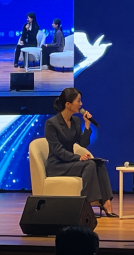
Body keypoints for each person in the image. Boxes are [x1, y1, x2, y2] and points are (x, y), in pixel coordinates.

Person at [45, 88, 116, 217]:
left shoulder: (76, 121)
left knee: (98, 163)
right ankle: (88, 203)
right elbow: (57, 150)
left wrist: (87, 125)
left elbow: (83, 143)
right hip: (57, 165)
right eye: (78, 101)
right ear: (68, 104)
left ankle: (106, 202)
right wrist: (78, 157)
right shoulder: (52, 124)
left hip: (70, 162)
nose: (81, 104)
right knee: (89, 165)